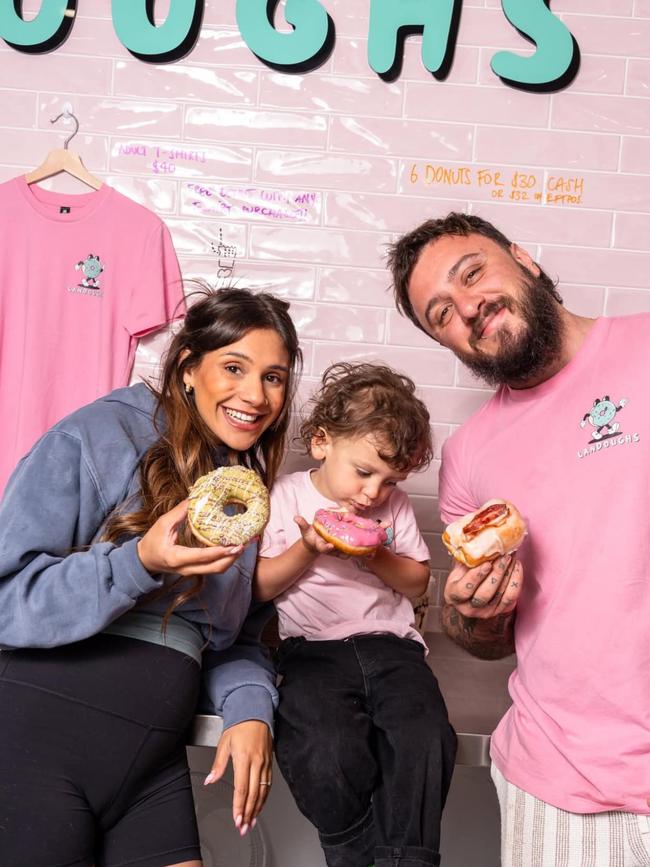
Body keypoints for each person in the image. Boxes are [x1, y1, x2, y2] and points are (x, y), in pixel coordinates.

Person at [0, 287, 302, 867]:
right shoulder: (98, 434)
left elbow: (234, 639)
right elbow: (10, 600)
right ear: (189, 368)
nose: (255, 395)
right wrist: (141, 562)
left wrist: (250, 710)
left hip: (147, 767)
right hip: (36, 744)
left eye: (274, 377)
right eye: (233, 368)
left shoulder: (240, 493)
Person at [388, 211, 650, 865]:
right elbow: (484, 640)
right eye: (441, 313)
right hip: (559, 779)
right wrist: (474, 615)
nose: (468, 308)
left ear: (524, 258)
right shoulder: (470, 456)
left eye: (472, 273)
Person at [255, 362, 457, 867]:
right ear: (322, 441)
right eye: (365, 472)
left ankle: (407, 857)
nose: (373, 494)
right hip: (311, 650)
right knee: (321, 747)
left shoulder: (394, 509)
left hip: (391, 646)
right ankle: (354, 845)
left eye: (390, 481)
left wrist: (373, 555)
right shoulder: (283, 497)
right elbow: (258, 587)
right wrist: (308, 548)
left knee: (426, 736)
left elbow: (415, 583)